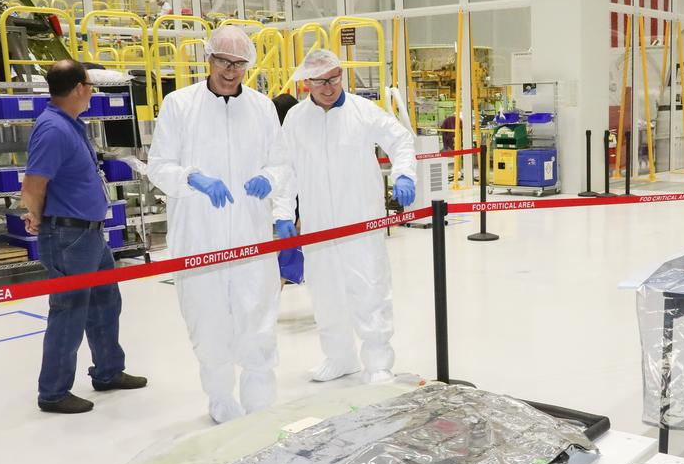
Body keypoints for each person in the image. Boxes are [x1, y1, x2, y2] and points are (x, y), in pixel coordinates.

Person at [148, 26, 288, 424]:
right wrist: (193, 178)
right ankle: (221, 400)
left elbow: (281, 163)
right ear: (208, 59)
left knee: (257, 317)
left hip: (250, 232)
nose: (231, 71)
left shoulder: (261, 108)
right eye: (223, 62)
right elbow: (159, 166)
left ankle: (261, 403)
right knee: (208, 320)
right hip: (199, 236)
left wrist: (271, 180)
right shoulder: (179, 105)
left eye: (239, 64)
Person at [276, 49, 416, 384]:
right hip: (318, 224)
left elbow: (400, 140)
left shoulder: (362, 111)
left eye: (334, 78)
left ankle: (378, 362)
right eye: (320, 81)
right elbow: (285, 169)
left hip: (360, 223)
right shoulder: (296, 119)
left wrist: (403, 174)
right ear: (306, 83)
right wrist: (282, 212)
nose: (328, 87)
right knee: (325, 294)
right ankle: (339, 358)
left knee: (369, 290)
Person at [23, 59, 146, 414]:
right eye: (90, 85)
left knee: (107, 302)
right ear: (78, 88)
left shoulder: (71, 124)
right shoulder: (52, 129)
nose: (92, 91)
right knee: (69, 311)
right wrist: (36, 216)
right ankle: (53, 392)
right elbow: (32, 186)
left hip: (89, 234)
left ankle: (108, 371)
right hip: (68, 236)